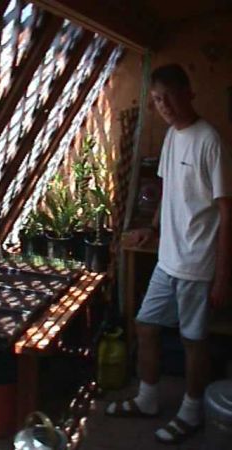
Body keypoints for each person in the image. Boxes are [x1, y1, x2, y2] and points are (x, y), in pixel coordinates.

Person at [105, 63, 232, 444]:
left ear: (188, 93)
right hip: (168, 258)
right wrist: (153, 227)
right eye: (158, 99)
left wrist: (223, 275)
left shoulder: (210, 140)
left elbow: (227, 211)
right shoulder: (172, 138)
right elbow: (166, 188)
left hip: (197, 262)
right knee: (146, 326)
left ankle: (191, 413)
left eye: (171, 96)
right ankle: (147, 399)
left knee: (194, 341)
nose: (165, 106)